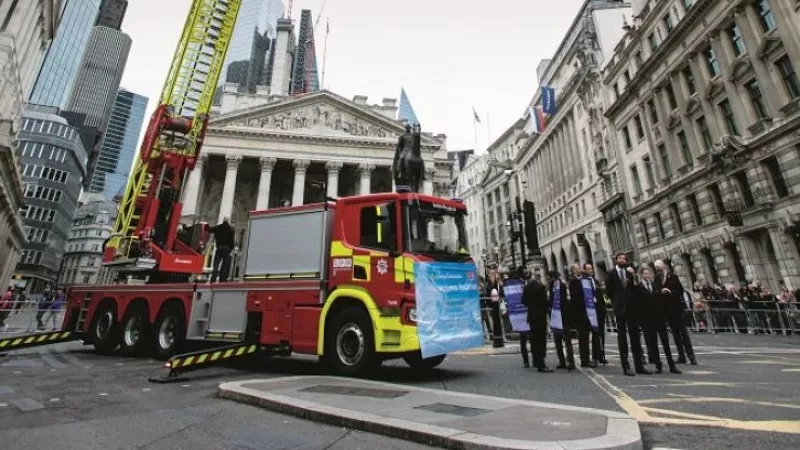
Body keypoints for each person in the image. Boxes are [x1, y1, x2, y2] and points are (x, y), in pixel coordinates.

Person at [605, 252, 650, 376]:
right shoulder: (611, 273)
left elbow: (634, 288)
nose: (622, 260)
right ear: (616, 260)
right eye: (620, 258)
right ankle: (626, 366)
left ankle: (639, 366)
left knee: (635, 337)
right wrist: (615, 301)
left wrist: (633, 275)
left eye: (624, 259)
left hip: (631, 309)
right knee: (622, 339)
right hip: (620, 309)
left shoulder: (630, 272)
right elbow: (608, 290)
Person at [636, 267, 682, 374]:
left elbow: (661, 298)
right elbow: (638, 305)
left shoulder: (655, 285)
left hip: (659, 318)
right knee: (653, 344)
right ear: (642, 275)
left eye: (649, 274)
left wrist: (663, 292)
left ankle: (672, 365)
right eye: (646, 274)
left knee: (665, 342)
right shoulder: (638, 287)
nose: (648, 276)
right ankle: (658, 365)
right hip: (647, 320)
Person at [654, 259, 697, 365]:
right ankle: (681, 356)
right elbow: (655, 292)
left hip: (677, 309)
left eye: (659, 268)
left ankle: (691, 356)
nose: (658, 270)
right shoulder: (656, 279)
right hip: (667, 310)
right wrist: (660, 292)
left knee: (684, 334)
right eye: (656, 269)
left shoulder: (673, 277)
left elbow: (680, 290)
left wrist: (670, 292)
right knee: (675, 334)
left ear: (664, 267)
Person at [521, 268, 553, 372]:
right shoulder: (540, 288)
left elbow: (524, 301)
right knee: (541, 340)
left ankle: (535, 360)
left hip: (531, 316)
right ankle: (541, 364)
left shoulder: (527, 287)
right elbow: (544, 302)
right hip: (540, 316)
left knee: (534, 340)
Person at [568, 264, 597, 368]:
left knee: (585, 336)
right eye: (578, 268)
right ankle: (585, 360)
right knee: (583, 337)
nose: (581, 269)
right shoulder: (574, 281)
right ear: (574, 271)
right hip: (580, 314)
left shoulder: (580, 280)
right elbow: (577, 299)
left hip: (583, 312)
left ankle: (586, 359)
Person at [548, 271, 575, 370]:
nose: (548, 280)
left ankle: (571, 362)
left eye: (549, 278)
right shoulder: (552, 287)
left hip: (563, 317)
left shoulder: (563, 285)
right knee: (557, 341)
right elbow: (550, 300)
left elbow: (567, 301)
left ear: (553, 277)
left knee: (567, 341)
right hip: (555, 317)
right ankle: (562, 361)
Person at [584, 263, 607, 364]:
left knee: (601, 333)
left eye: (591, 268)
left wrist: (603, 307)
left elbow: (600, 295)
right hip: (591, 311)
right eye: (588, 269)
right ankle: (594, 356)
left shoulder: (595, 281)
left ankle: (601, 355)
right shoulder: (584, 282)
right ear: (585, 270)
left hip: (600, 310)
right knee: (594, 334)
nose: (591, 270)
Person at [209, 217, 235, 283]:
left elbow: (210, 229)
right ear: (228, 221)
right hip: (227, 249)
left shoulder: (218, 227)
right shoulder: (231, 229)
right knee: (224, 265)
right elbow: (232, 240)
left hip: (219, 247)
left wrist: (205, 225)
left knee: (216, 264)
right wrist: (232, 248)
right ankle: (222, 279)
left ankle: (213, 278)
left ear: (223, 221)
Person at [484, 268, 505, 348]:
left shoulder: (498, 283)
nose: (492, 275)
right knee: (493, 324)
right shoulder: (488, 285)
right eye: (491, 274)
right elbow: (487, 294)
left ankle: (501, 338)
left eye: (494, 273)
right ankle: (496, 339)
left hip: (499, 307)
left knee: (500, 323)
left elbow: (502, 293)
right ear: (488, 275)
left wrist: (499, 281)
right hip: (491, 307)